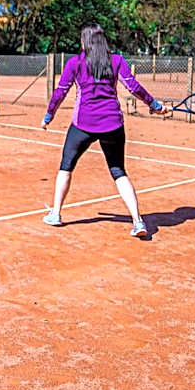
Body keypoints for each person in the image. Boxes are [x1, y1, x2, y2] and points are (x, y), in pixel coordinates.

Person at [41, 24, 167, 237]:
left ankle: (56, 214)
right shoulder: (116, 60)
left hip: (82, 125)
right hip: (113, 125)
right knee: (118, 171)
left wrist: (49, 116)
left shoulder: (75, 63)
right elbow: (133, 87)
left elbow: (60, 92)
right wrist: (153, 105)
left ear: (85, 41)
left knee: (66, 166)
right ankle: (138, 222)